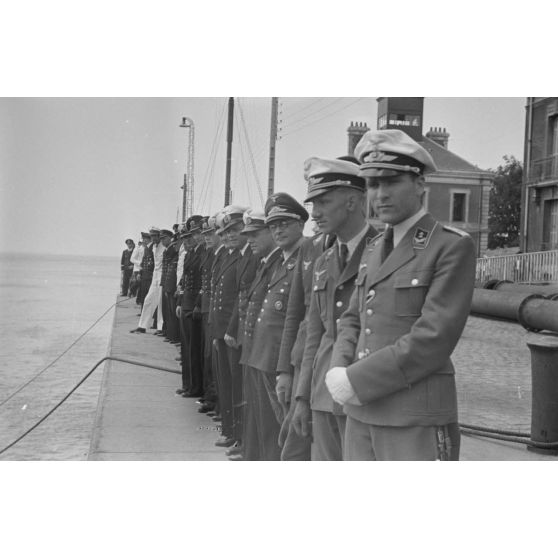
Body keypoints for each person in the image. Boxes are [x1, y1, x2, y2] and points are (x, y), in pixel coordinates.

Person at [325, 129, 476, 460]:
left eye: (391, 182)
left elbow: (433, 337)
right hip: (360, 413)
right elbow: (352, 318)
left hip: (413, 417)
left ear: (420, 184)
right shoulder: (375, 246)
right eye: (373, 185)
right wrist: (338, 370)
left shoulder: (450, 246)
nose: (380, 194)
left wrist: (354, 381)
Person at [290, 156, 378, 460]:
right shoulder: (323, 261)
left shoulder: (383, 251)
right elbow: (315, 334)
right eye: (313, 204)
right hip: (323, 394)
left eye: (324, 202)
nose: (315, 213)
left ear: (352, 202)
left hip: (364, 392)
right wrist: (302, 397)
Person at [241, 193, 308, 460]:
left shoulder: (308, 257)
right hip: (264, 357)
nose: (278, 230)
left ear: (301, 224)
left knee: (282, 437)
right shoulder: (281, 260)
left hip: (283, 363)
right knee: (266, 430)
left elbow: (301, 320)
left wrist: (287, 369)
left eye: (285, 223)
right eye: (273, 225)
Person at [130, 226, 166, 334]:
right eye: (152, 236)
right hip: (155, 276)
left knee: (160, 303)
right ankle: (142, 326)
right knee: (148, 300)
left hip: (162, 276)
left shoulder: (163, 247)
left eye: (155, 236)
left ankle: (160, 327)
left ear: (159, 236)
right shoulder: (153, 247)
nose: (153, 238)